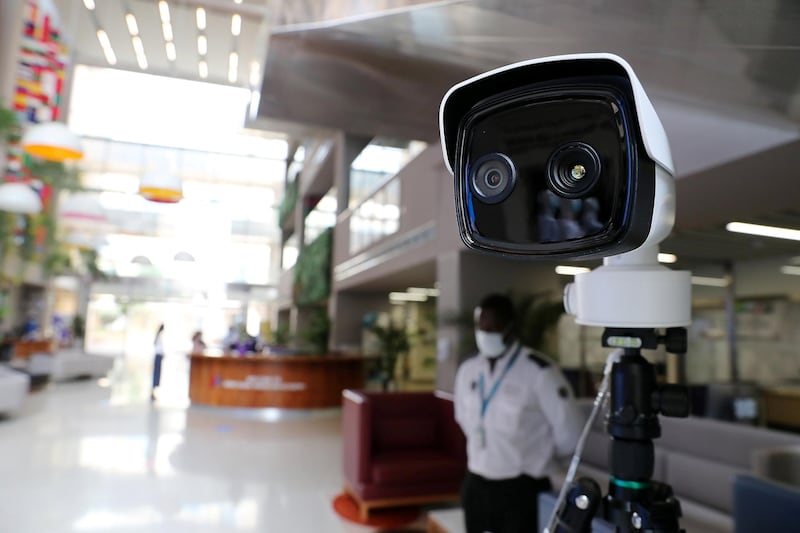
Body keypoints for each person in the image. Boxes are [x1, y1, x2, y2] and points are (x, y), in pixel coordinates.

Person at [454, 293, 584, 533]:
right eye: (481, 326)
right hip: (476, 481)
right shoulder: (468, 370)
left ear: (510, 327)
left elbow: (570, 432)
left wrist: (539, 456)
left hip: (521, 487)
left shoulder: (539, 372)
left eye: (493, 326)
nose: (485, 333)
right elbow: (463, 417)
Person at [151, 324, 165, 402]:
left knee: (157, 375)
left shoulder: (158, 336)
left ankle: (153, 393)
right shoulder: (159, 337)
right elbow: (159, 348)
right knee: (156, 374)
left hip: (158, 356)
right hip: (158, 356)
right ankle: (152, 393)